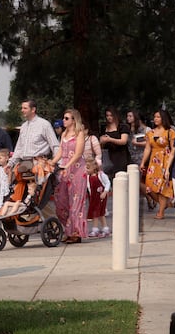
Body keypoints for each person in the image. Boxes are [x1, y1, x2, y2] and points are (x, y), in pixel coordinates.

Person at [7, 99, 59, 203]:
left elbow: (55, 145)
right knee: (18, 191)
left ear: (33, 109)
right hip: (24, 164)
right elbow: (19, 148)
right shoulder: (24, 127)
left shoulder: (44, 124)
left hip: (39, 164)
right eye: (22, 108)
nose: (22, 110)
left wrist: (56, 164)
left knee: (38, 195)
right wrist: (10, 163)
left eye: (25, 108)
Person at [50, 109, 87, 243]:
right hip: (64, 169)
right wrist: (53, 162)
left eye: (66, 118)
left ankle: (75, 233)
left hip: (77, 169)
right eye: (64, 118)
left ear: (73, 120)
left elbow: (78, 153)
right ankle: (68, 229)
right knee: (61, 200)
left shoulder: (79, 134)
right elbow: (61, 150)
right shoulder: (64, 133)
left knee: (76, 202)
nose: (64, 120)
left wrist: (68, 164)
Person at [140, 109, 175, 220]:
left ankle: (161, 212)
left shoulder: (170, 132)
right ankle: (165, 204)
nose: (155, 119)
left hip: (166, 160)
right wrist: (142, 163)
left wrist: (169, 165)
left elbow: (173, 148)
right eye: (155, 117)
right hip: (153, 162)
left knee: (162, 187)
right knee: (149, 186)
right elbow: (147, 148)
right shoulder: (150, 133)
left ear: (163, 118)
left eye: (158, 117)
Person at [126, 110, 154, 210]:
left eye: (130, 116)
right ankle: (149, 197)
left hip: (142, 157)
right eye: (127, 116)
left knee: (137, 180)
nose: (128, 118)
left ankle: (151, 196)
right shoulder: (128, 130)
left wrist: (137, 143)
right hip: (131, 157)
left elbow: (150, 143)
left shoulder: (146, 130)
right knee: (134, 181)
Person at [100, 106, 130, 180]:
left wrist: (110, 139)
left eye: (111, 115)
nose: (109, 117)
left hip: (121, 155)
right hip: (109, 155)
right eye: (107, 115)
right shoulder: (104, 127)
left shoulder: (122, 126)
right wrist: (102, 141)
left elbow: (123, 141)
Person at [85, 158, 111, 238]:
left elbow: (107, 183)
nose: (86, 169)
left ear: (94, 167)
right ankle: (104, 228)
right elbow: (88, 187)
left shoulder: (100, 175)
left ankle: (96, 229)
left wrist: (105, 192)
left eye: (88, 168)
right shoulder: (87, 177)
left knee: (98, 213)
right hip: (93, 197)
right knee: (97, 213)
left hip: (100, 196)